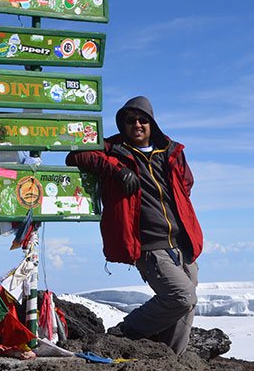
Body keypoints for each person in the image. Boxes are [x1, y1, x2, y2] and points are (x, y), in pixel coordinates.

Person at [66, 96, 204, 354]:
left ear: (152, 123)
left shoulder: (171, 151)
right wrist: (116, 170)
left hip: (182, 242)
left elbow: (186, 184)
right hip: (150, 244)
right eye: (131, 120)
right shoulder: (113, 148)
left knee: (185, 307)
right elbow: (76, 156)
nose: (137, 124)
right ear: (122, 124)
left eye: (143, 119)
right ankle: (124, 333)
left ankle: (171, 359)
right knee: (182, 297)